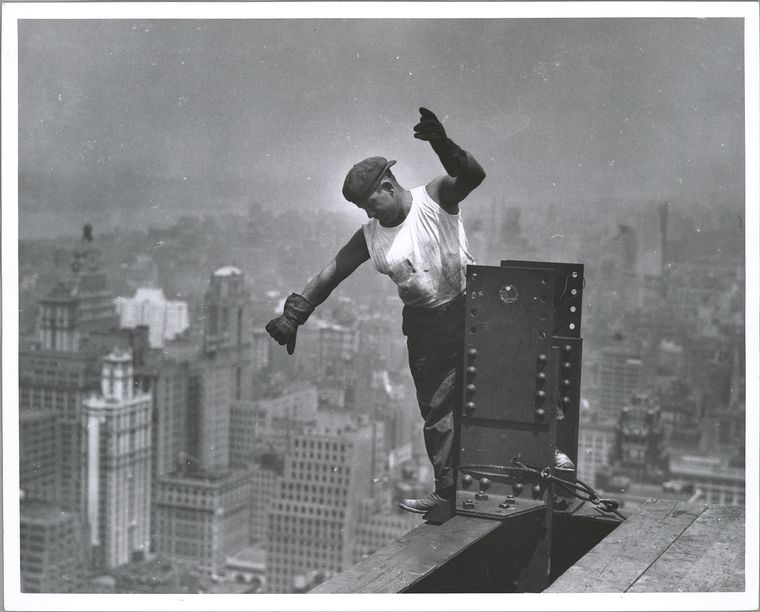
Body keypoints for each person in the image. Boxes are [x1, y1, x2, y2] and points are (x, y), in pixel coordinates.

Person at [266, 107, 485, 513]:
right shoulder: (370, 236)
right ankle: (448, 491)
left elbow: (473, 176)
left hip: (471, 310)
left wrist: (442, 144)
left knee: (491, 391)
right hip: (425, 326)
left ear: (388, 185)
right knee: (437, 410)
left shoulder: (433, 198)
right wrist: (295, 313)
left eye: (371, 203)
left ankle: (542, 461)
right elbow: (333, 272)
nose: (370, 214)